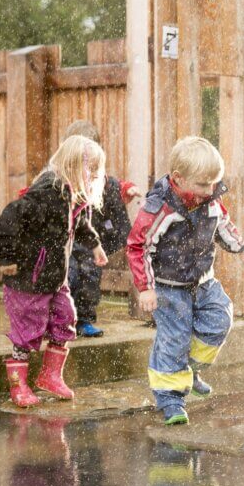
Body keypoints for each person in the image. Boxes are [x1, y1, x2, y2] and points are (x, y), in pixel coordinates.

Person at [126, 136, 244, 425]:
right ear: (178, 179)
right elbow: (138, 246)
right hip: (168, 286)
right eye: (202, 184)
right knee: (175, 339)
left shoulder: (209, 198)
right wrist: (145, 288)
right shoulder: (161, 208)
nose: (210, 190)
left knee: (219, 319)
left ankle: (191, 369)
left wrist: (242, 251)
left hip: (202, 281)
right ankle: (170, 399)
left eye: (213, 183)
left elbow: (223, 225)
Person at [0, 135, 108, 407]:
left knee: (65, 319)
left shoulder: (71, 197)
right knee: (27, 331)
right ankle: (18, 386)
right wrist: (6, 257)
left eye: (95, 171)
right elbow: (4, 225)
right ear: (71, 165)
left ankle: (50, 376)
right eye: (89, 169)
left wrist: (95, 245)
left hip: (55, 278)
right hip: (27, 279)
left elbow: (78, 224)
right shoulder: (43, 194)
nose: (93, 176)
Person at [61, 120, 142, 337]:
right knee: (69, 277)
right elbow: (38, 193)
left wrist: (128, 189)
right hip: (65, 241)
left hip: (89, 240)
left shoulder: (100, 179)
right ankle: (63, 321)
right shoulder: (60, 179)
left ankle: (85, 319)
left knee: (90, 276)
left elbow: (113, 185)